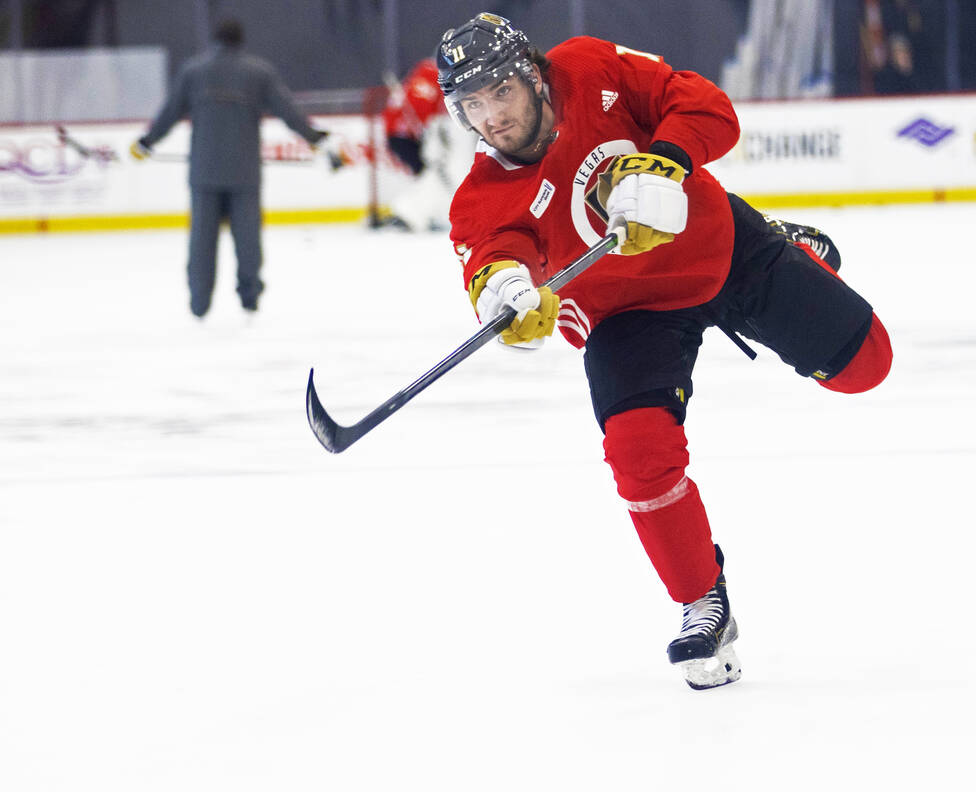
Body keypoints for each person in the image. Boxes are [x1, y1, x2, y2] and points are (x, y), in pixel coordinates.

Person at [436, 13, 892, 689]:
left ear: (532, 76)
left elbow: (707, 107)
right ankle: (702, 600)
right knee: (637, 454)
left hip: (723, 251)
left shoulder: (591, 69)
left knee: (866, 368)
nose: (491, 117)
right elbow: (493, 254)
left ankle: (787, 249)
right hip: (626, 316)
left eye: (499, 92)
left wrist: (668, 160)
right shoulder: (482, 194)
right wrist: (504, 292)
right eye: (471, 105)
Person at [131, 18, 327, 317]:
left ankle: (199, 304)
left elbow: (169, 112)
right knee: (248, 239)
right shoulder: (259, 72)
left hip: (203, 172)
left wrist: (147, 142)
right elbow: (287, 110)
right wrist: (312, 137)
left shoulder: (193, 70)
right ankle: (249, 298)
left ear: (216, 40)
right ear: (240, 40)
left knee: (201, 241)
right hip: (245, 172)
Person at [378, 59, 477, 232]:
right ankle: (409, 213)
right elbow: (430, 111)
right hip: (404, 136)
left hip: (398, 135)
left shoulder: (424, 71)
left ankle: (417, 213)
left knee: (428, 175)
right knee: (428, 175)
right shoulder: (436, 78)